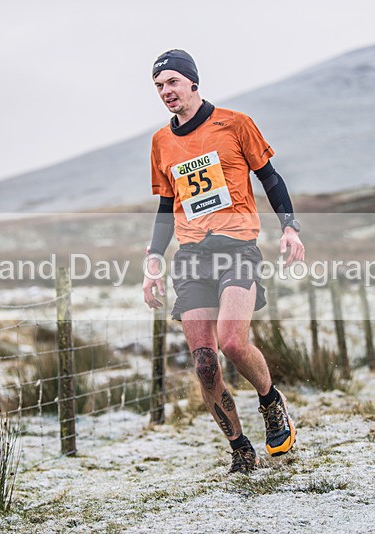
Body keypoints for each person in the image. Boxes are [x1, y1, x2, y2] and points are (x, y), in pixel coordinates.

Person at [142, 49, 305, 474]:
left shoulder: (235, 123)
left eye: (172, 82)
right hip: (192, 256)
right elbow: (166, 204)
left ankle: (271, 402)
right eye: (159, 85)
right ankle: (239, 447)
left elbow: (270, 177)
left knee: (232, 342)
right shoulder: (161, 142)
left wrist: (289, 227)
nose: (165, 91)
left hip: (237, 248)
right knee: (205, 362)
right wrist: (153, 259)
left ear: (193, 83)